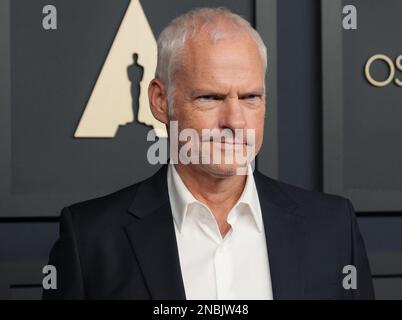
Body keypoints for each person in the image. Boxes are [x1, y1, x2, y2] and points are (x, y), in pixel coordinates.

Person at [43, 7, 374, 300]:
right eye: (210, 97)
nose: (234, 121)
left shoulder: (332, 228)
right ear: (161, 100)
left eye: (249, 97)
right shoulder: (90, 240)